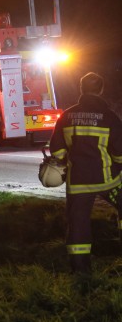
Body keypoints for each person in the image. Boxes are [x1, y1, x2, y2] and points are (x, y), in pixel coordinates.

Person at [49, 72, 122, 274]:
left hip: (78, 181)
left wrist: (65, 160)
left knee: (78, 223)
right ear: (101, 90)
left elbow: (56, 150)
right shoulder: (109, 117)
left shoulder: (66, 116)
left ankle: (81, 271)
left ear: (81, 89)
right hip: (108, 181)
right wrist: (116, 167)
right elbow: (120, 152)